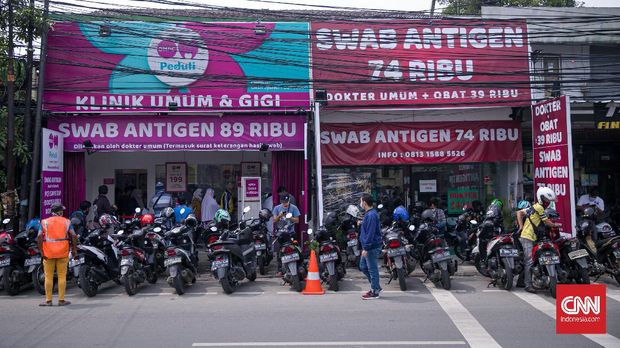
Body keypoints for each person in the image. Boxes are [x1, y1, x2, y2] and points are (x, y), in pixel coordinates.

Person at [516, 187, 560, 294]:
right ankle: (528, 285)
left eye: (549, 201)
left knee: (532, 259)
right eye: (547, 201)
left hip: (531, 237)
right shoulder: (539, 208)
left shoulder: (534, 207)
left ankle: (522, 281)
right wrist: (555, 225)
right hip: (528, 237)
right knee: (529, 261)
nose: (548, 203)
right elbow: (547, 222)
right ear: (541, 199)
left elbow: (519, 213)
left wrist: (521, 226)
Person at [36, 203, 79, 306]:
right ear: (59, 212)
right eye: (62, 210)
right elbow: (73, 235)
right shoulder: (67, 222)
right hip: (62, 252)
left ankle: (48, 301)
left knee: (48, 276)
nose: (63, 212)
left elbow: (39, 236)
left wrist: (41, 250)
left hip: (48, 253)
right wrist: (74, 249)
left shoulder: (44, 222)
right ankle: (61, 300)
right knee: (61, 276)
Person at [358, 193, 382, 300]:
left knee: (372, 269)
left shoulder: (371, 215)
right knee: (363, 266)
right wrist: (362, 223)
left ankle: (375, 291)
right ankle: (375, 286)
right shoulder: (369, 214)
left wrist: (366, 248)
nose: (360, 203)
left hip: (371, 247)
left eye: (361, 201)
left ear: (365, 203)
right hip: (367, 246)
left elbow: (371, 233)